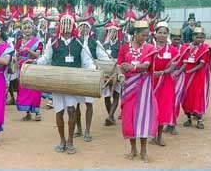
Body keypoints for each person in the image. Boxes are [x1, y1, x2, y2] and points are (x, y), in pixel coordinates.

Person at [36, 11, 96, 154]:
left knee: (71, 110)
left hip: (73, 83)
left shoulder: (80, 42)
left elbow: (87, 62)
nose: (67, 26)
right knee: (59, 112)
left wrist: (95, 71)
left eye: (69, 23)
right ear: (60, 25)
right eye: (64, 23)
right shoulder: (53, 41)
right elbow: (45, 59)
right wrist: (35, 63)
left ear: (73, 25)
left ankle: (70, 141)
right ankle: (62, 140)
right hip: (57, 82)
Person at [116, 20, 158, 163]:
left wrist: (132, 68)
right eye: (143, 36)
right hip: (128, 86)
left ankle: (144, 150)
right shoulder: (124, 48)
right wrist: (121, 75)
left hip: (143, 87)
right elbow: (119, 65)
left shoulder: (150, 48)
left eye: (147, 36)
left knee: (143, 117)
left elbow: (146, 66)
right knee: (129, 118)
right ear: (135, 34)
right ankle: (133, 149)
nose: (145, 38)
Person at [75, 22, 109, 142]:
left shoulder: (95, 42)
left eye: (86, 27)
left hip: (90, 76)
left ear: (90, 29)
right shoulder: (75, 41)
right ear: (78, 28)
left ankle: (87, 130)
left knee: (89, 104)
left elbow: (103, 57)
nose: (84, 29)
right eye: (81, 26)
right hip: (77, 76)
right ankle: (78, 128)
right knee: (76, 104)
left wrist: (98, 67)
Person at [150, 22, 179, 146]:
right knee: (150, 108)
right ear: (155, 34)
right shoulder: (148, 48)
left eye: (165, 33)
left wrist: (161, 72)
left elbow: (172, 67)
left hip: (165, 83)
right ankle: (152, 134)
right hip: (150, 81)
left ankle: (160, 136)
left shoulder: (172, 50)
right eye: (160, 32)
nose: (162, 35)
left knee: (162, 109)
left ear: (168, 35)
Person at [181, 27, 211, 129]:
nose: (199, 39)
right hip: (186, 75)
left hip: (198, 76)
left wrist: (190, 71)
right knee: (186, 96)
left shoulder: (205, 49)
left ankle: (199, 120)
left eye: (201, 37)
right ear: (193, 36)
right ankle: (189, 119)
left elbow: (201, 64)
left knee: (198, 96)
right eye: (197, 37)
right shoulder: (186, 47)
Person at [15, 17, 43, 121]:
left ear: (33, 29)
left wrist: (28, 50)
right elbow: (17, 55)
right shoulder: (19, 41)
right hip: (22, 67)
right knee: (23, 89)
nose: (27, 30)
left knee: (34, 90)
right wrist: (17, 56)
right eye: (25, 28)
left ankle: (37, 112)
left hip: (33, 66)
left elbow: (37, 55)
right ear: (22, 29)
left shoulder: (38, 42)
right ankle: (27, 113)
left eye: (29, 28)